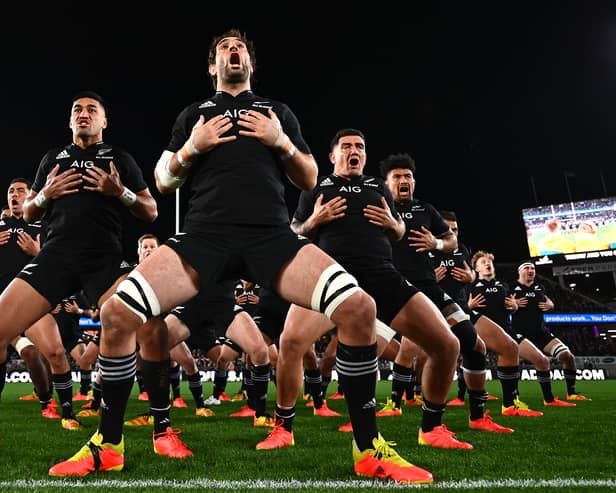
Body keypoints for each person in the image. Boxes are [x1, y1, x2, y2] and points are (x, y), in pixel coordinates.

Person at [50, 31, 423, 484]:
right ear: (212, 67)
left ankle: (368, 450)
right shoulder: (194, 114)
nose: (233, 52)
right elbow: (163, 180)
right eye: (224, 48)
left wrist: (280, 140)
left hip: (270, 236)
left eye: (240, 48)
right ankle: (108, 445)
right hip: (203, 235)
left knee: (359, 307)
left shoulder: (276, 112)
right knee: (115, 314)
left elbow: (308, 177)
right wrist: (194, 146)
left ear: (250, 63)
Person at [257, 127, 459, 484]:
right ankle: (283, 426)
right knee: (290, 343)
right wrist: (315, 221)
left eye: (360, 147)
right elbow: (292, 232)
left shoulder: (379, 188)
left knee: (447, 345)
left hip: (382, 275)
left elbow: (397, 232)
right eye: (347, 146)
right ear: (332, 155)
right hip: (330, 277)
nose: (355, 151)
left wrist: (394, 227)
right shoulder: (315, 187)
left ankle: (431, 427)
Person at [0, 91, 161, 471]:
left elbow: (151, 209)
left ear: (104, 121)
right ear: (70, 121)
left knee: (147, 323)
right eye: (77, 110)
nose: (83, 114)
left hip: (103, 260)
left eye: (92, 110)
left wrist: (118, 191)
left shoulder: (118, 158)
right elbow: (29, 208)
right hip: (54, 256)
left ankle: (149, 428)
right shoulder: (51, 160)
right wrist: (46, 195)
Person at [380, 152, 514, 444]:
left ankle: (477, 417)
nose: (404, 181)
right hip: (387, 288)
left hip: (428, 288)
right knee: (370, 347)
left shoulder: (426, 210)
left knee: (474, 344)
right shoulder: (377, 206)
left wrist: (436, 243)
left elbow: (450, 240)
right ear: (386, 182)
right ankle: (375, 416)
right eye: (397, 177)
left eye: (408, 177)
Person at [434, 212, 542, 417]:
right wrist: (429, 278)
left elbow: (470, 276)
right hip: (432, 309)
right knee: (416, 355)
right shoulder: (424, 248)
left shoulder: (462, 250)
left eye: (455, 229)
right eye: (447, 228)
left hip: (459, 310)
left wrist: (470, 276)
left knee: (509, 347)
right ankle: (406, 404)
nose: (452, 233)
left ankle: (510, 406)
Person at [511, 261, 590, 404]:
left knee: (568, 356)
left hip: (541, 333)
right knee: (514, 363)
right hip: (520, 335)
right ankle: (514, 398)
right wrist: (512, 304)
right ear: (519, 271)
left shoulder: (540, 287)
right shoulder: (511, 287)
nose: (531, 270)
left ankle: (571, 393)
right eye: (527, 268)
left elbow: (548, 303)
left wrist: (551, 305)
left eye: (533, 268)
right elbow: (503, 306)